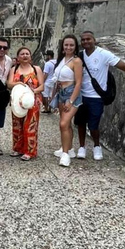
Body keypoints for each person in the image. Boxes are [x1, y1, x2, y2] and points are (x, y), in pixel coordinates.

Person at [76, 31, 125, 161]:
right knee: (80, 122)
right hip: (82, 95)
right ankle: (81, 147)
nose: (85, 42)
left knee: (93, 125)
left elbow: (123, 66)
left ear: (94, 40)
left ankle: (97, 146)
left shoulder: (103, 54)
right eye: (83, 40)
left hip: (96, 97)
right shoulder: (80, 56)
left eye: (88, 39)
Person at [51, 35, 84, 167]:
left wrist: (71, 100)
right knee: (66, 124)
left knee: (63, 124)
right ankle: (68, 149)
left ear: (75, 47)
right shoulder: (62, 60)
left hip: (71, 94)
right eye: (66, 45)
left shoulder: (76, 61)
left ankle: (65, 155)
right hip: (61, 93)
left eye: (71, 45)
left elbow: (78, 83)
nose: (68, 47)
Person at [7, 47, 44, 161]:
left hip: (32, 101)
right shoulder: (14, 69)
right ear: (18, 58)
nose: (25, 55)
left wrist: (32, 91)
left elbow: (42, 86)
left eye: (27, 53)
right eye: (22, 54)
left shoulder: (36, 69)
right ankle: (18, 148)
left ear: (30, 56)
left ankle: (30, 151)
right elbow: (9, 83)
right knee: (17, 125)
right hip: (17, 101)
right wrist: (17, 83)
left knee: (30, 126)